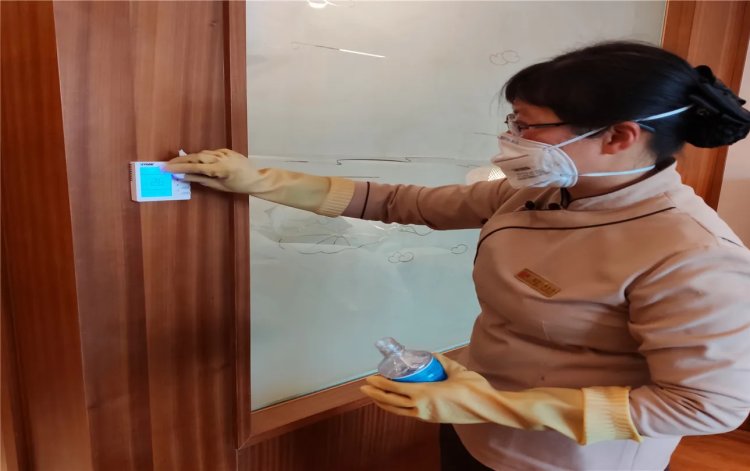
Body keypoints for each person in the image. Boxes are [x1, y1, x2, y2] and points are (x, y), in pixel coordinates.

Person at [165, 42, 750, 471]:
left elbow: (706, 406)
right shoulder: (539, 192)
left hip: (566, 456)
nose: (512, 140)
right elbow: (398, 201)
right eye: (513, 121)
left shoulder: (689, 253)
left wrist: (500, 405)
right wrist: (260, 180)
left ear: (619, 136)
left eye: (530, 127)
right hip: (468, 419)